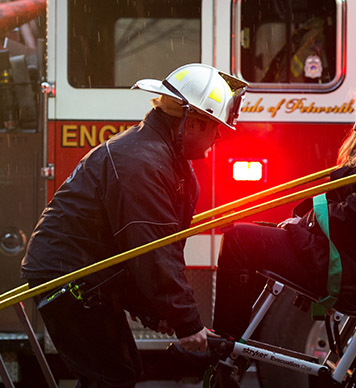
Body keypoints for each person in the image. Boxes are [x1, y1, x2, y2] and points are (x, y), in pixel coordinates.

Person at [20, 63, 248, 388]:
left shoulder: (159, 156)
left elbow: (139, 252)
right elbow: (153, 251)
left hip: (85, 277)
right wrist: (187, 322)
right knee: (113, 376)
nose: (219, 136)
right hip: (67, 278)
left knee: (119, 371)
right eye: (215, 127)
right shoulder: (144, 162)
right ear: (193, 123)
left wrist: (158, 313)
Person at [212, 82, 356, 344]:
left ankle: (224, 343)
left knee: (238, 239)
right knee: (253, 231)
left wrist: (305, 223)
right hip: (348, 257)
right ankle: (235, 339)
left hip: (351, 269)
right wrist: (302, 221)